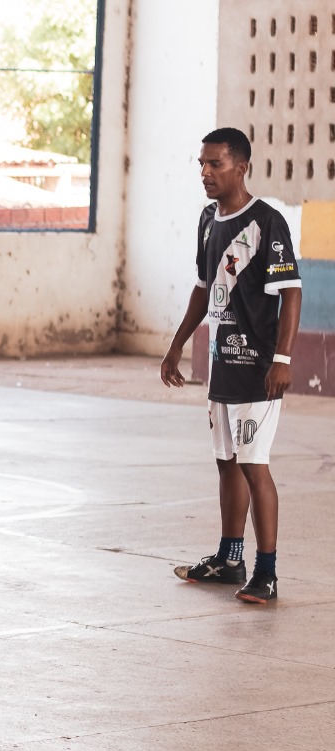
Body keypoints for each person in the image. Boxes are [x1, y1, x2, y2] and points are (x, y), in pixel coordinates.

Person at [160, 127, 302, 603]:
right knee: (226, 463)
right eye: (201, 164)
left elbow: (291, 291)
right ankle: (229, 558)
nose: (205, 172)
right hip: (223, 364)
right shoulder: (208, 219)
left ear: (241, 168)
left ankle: (267, 572)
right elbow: (204, 287)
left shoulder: (266, 221)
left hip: (259, 368)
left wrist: (282, 359)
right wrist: (177, 345)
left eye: (215, 164)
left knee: (254, 466)